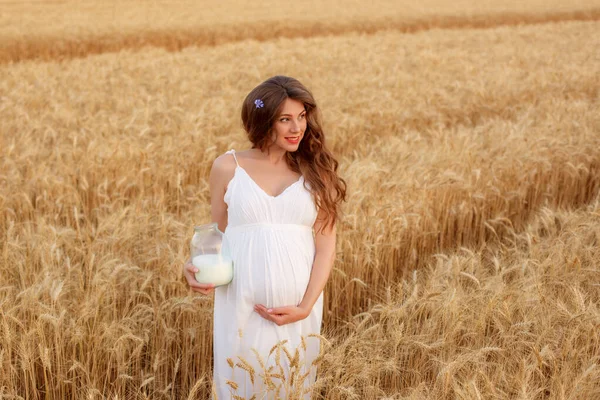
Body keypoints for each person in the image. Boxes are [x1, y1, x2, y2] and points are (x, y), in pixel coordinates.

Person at [183, 75, 347, 399]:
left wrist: (305, 305)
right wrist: (191, 269)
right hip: (240, 304)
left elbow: (326, 247)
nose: (296, 128)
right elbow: (218, 236)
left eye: (301, 117)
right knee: (240, 388)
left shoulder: (316, 172)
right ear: (262, 120)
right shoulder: (227, 167)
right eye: (285, 119)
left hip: (298, 309)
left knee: (293, 387)